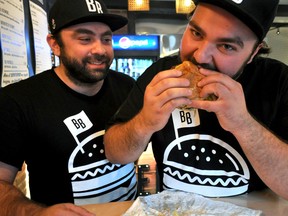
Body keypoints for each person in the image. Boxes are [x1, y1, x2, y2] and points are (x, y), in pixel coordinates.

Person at [104, 0, 288, 200]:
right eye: (196, 33)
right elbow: (115, 154)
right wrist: (145, 122)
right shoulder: (159, 75)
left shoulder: (277, 81)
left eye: (226, 46)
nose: (200, 57)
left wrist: (243, 124)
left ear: (253, 52)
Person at [0, 0, 137, 215]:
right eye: (85, 39)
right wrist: (38, 213)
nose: (100, 49)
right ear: (54, 44)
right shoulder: (18, 101)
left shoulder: (127, 86)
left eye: (107, 39)